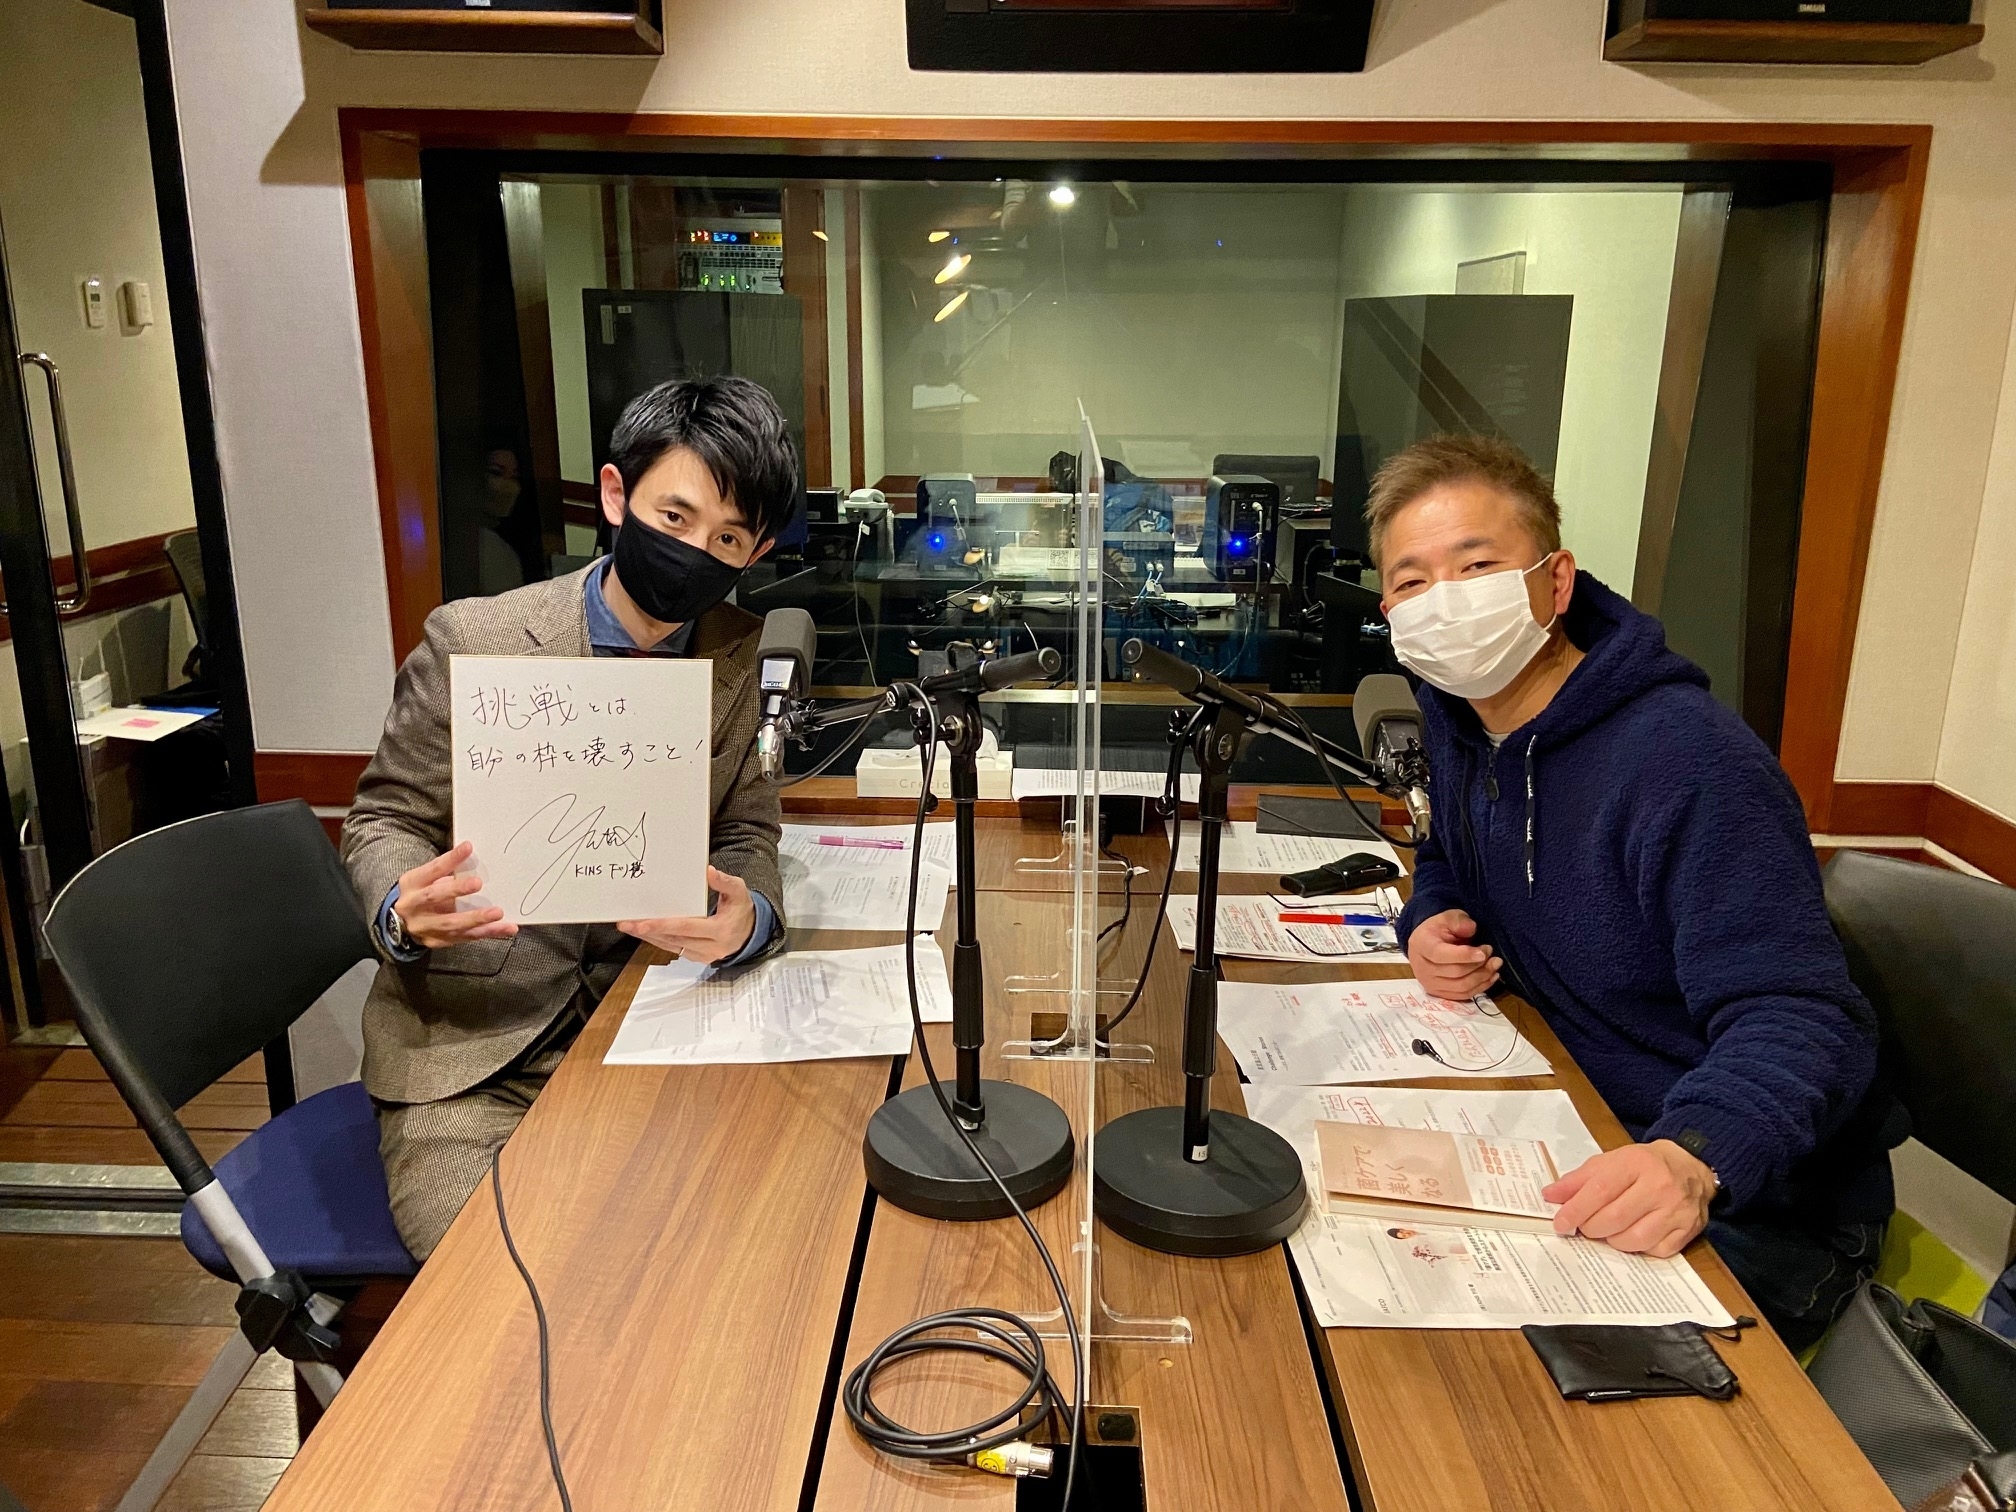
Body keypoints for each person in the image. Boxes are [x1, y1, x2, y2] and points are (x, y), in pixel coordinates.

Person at [1372, 433, 1905, 1352]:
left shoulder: (1690, 762)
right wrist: (1430, 917)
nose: (1445, 600)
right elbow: (1446, 851)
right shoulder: (1460, 722)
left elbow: (1805, 1014)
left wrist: (1696, 1156)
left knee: (1467, 1369)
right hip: (1571, 1109)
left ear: (1556, 582)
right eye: (1412, 582)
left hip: (1751, 1193)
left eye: (1478, 566)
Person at [343, 375, 799, 1261]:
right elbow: (384, 817)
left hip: (658, 1023)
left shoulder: (735, 655)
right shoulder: (472, 641)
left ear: (756, 551)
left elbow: (748, 830)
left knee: (720, 1257)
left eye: (727, 538)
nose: (696, 550)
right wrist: (400, 908)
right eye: (675, 517)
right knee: (501, 1288)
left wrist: (750, 920)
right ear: (616, 495)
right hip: (471, 1060)